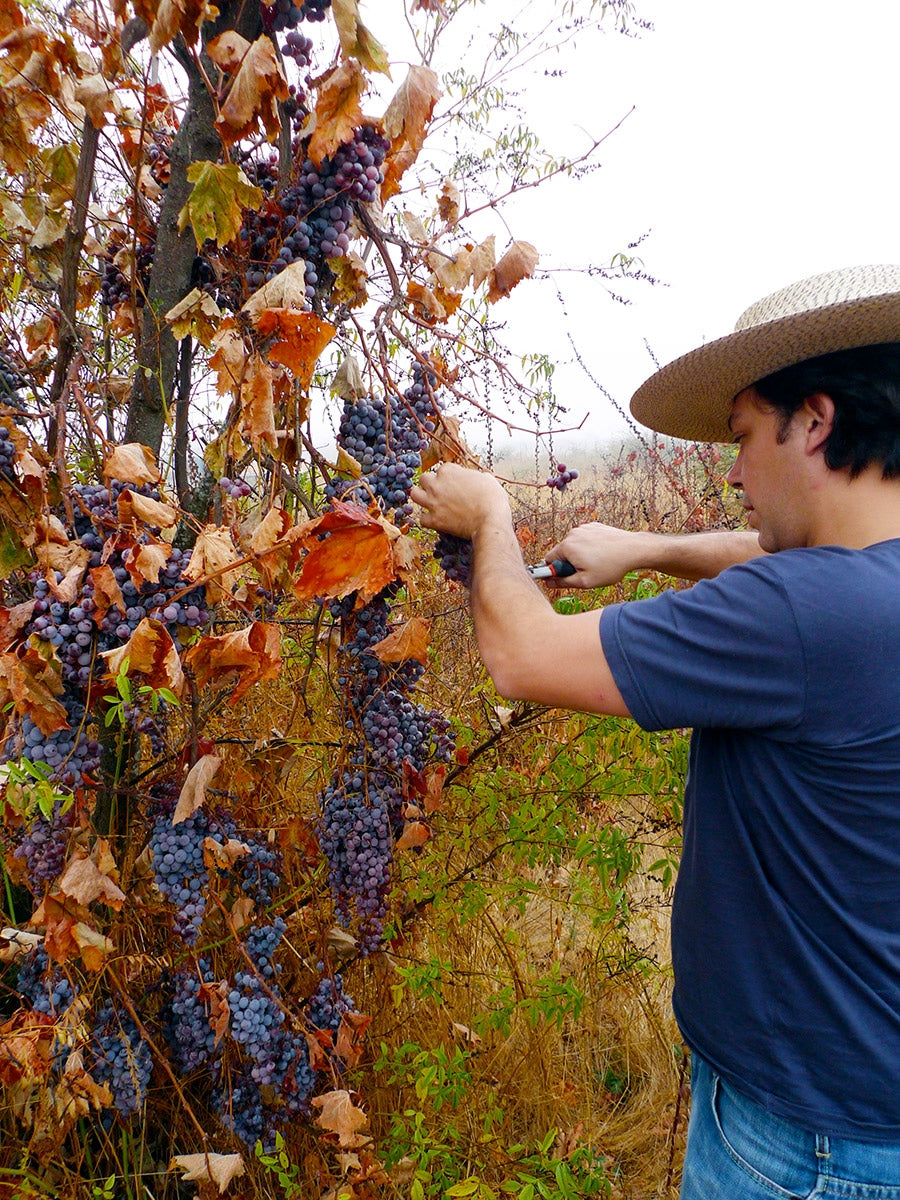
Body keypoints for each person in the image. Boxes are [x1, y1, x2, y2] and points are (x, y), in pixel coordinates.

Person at [411, 264, 900, 1199]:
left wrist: (491, 517)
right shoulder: (862, 587)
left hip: (805, 1149)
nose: (734, 469)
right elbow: (772, 556)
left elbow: (523, 655)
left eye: (744, 434)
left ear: (815, 421)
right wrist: (649, 548)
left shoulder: (802, 615)